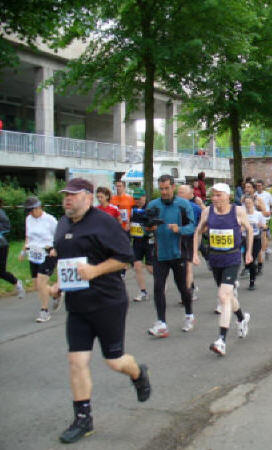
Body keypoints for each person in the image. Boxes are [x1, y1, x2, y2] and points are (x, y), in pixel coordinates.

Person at [49, 178, 151, 444]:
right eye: (65, 195)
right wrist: (60, 283)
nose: (67, 199)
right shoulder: (62, 224)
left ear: (88, 197)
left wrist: (95, 271)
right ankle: (83, 419)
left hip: (107, 303)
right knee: (76, 361)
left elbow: (125, 258)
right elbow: (67, 261)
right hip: (77, 307)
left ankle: (138, 373)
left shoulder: (104, 222)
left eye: (73, 195)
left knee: (114, 361)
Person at [193, 183, 253, 356]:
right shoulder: (207, 212)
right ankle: (241, 318)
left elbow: (249, 230)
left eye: (219, 195)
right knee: (228, 295)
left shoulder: (238, 211)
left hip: (232, 258)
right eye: (213, 195)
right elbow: (198, 231)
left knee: (223, 296)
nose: (215, 198)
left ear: (228, 196)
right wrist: (195, 252)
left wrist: (248, 252)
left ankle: (221, 340)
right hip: (215, 259)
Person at [146, 175, 196, 337]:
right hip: (160, 253)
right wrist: (149, 228)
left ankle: (189, 315)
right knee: (158, 288)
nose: (164, 192)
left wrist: (179, 229)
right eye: (161, 189)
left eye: (167, 188)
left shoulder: (183, 204)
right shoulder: (153, 205)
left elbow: (192, 226)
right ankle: (161, 323)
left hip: (178, 253)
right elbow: (147, 227)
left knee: (182, 287)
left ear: (173, 187)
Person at [19, 196, 58, 322]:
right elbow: (28, 237)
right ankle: (55, 293)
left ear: (38, 208)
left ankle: (44, 311)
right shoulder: (29, 219)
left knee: (41, 283)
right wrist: (23, 251)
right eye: (28, 211)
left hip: (48, 254)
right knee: (38, 286)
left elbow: (59, 236)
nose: (30, 213)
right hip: (34, 254)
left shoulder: (50, 220)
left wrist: (55, 248)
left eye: (31, 210)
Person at [177, 184, 203, 301]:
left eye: (182, 192)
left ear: (189, 195)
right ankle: (190, 287)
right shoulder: (172, 206)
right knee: (180, 268)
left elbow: (204, 223)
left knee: (188, 266)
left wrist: (198, 234)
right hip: (176, 239)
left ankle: (188, 294)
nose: (179, 194)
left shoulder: (195, 208)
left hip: (190, 239)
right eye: (178, 192)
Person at [129, 189, 154, 302]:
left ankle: (161, 281)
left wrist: (148, 228)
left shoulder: (150, 209)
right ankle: (143, 291)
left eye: (139, 198)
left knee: (150, 268)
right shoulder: (132, 209)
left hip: (148, 242)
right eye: (135, 198)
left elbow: (155, 225)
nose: (137, 201)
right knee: (137, 266)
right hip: (136, 242)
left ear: (144, 197)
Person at [0, 198, 25, 298]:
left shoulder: (0, 213)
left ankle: (17, 283)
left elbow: (7, 226)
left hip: (1, 245)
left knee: (1, 272)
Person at [241, 195, 266, 290]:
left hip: (256, 240)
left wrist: (261, 226)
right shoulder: (242, 214)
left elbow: (265, 227)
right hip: (244, 240)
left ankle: (252, 282)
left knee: (251, 259)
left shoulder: (258, 214)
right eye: (246, 203)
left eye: (249, 203)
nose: (248, 205)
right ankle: (248, 267)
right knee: (246, 260)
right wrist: (241, 228)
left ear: (253, 203)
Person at [255, 179, 272, 269]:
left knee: (264, 235)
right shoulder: (254, 195)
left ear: (263, 186)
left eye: (259, 185)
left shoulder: (267, 194)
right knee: (259, 234)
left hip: (266, 217)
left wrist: (271, 210)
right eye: (257, 185)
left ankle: (263, 251)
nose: (258, 187)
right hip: (256, 217)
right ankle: (265, 249)